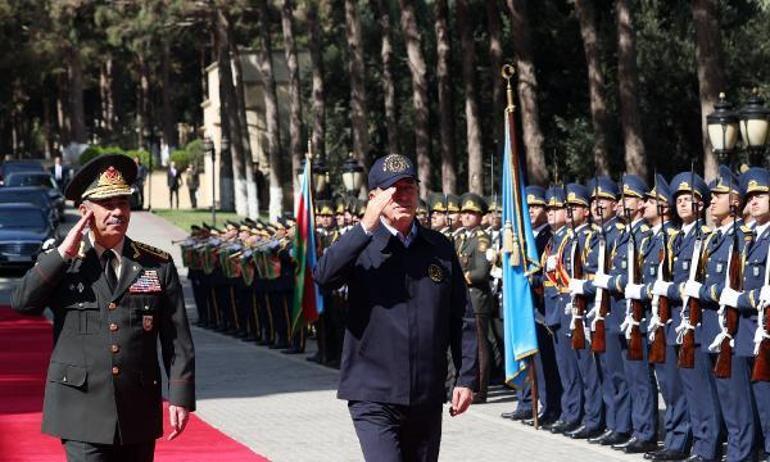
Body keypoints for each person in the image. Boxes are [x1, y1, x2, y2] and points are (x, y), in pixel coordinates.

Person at [11, 154, 195, 462]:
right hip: (81, 410)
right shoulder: (65, 262)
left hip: (137, 409)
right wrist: (62, 254)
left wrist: (180, 397)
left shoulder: (156, 265)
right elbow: (23, 303)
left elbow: (177, 340)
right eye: (107, 204)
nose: (117, 212)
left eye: (123, 203)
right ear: (85, 211)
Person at [313, 153, 478, 462]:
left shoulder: (438, 247)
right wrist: (365, 226)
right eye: (392, 190)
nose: (402, 196)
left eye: (408, 188)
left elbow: (461, 316)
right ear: (374, 197)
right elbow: (323, 277)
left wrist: (466, 378)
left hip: (426, 394)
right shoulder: (360, 244)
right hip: (374, 394)